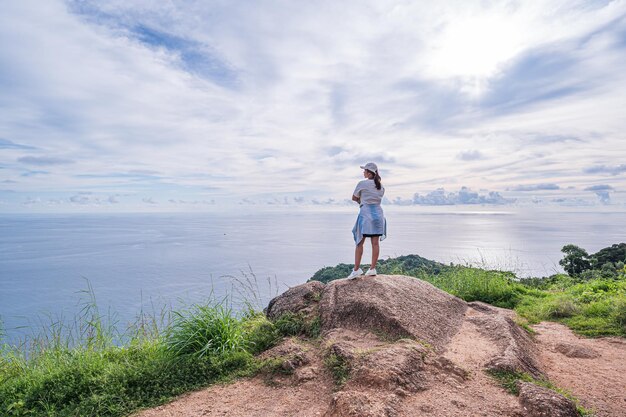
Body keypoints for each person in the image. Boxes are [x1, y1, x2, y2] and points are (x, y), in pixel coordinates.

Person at [347, 162, 387, 279]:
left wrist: (361, 201)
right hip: (378, 216)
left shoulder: (362, 184)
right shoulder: (381, 187)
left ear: (369, 172)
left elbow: (354, 197)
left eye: (365, 170)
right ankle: (372, 268)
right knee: (375, 243)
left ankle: (356, 270)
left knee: (360, 242)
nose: (363, 172)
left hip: (366, 216)